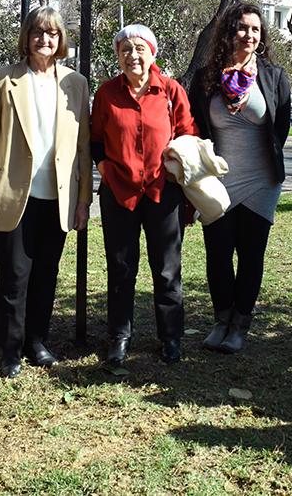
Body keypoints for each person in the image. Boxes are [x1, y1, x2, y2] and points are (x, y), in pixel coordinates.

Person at [0, 7, 91, 379]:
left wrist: (84, 199)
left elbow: (83, 147)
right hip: (11, 194)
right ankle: (10, 348)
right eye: (38, 32)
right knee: (14, 274)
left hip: (57, 197)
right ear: (27, 36)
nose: (45, 40)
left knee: (46, 274)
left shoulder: (76, 83)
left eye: (52, 34)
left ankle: (37, 340)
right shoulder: (3, 79)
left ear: (61, 40)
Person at [91, 23, 198, 367]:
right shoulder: (107, 93)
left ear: (152, 53)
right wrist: (105, 168)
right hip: (119, 193)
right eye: (125, 50)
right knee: (121, 268)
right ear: (117, 56)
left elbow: (187, 135)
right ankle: (119, 336)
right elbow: (96, 141)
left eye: (139, 49)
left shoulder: (170, 90)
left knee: (166, 270)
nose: (132, 55)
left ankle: (170, 337)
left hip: (162, 192)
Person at [187, 3, 291, 353]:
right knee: (217, 253)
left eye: (256, 30)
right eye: (242, 28)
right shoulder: (205, 79)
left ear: (261, 38)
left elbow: (281, 130)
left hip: (262, 180)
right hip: (220, 182)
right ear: (229, 32)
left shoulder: (274, 77)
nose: (249, 35)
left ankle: (240, 325)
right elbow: (197, 128)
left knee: (251, 254)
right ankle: (221, 319)